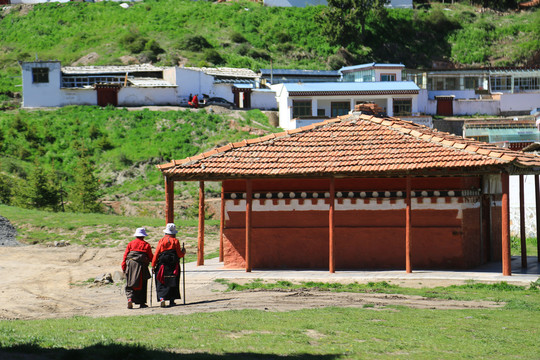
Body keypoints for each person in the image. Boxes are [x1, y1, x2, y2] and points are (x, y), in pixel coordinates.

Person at [152, 223, 185, 307]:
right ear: (173, 233)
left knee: (161, 280)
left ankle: (162, 298)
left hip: (162, 264)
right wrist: (183, 252)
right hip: (173, 264)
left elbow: (156, 254)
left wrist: (153, 265)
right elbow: (179, 254)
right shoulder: (176, 241)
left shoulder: (161, 241)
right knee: (173, 280)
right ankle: (172, 300)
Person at [121, 227, 153, 309]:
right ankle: (142, 303)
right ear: (143, 236)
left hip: (131, 266)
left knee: (130, 283)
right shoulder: (146, 245)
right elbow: (150, 257)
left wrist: (124, 267)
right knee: (142, 284)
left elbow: (125, 256)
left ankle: (130, 299)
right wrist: (153, 264)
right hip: (142, 267)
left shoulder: (131, 244)